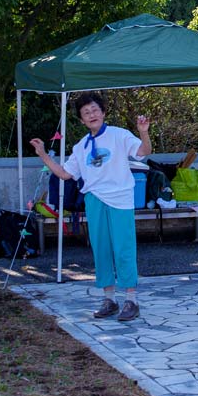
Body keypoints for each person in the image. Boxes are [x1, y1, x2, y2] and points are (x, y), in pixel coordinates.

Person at [27, 93, 153, 322]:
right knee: (101, 249)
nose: (91, 115)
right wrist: (43, 155)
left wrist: (143, 132)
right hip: (94, 200)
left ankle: (131, 300)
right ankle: (109, 299)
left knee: (123, 248)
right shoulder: (80, 146)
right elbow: (65, 174)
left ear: (103, 112)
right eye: (86, 113)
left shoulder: (119, 135)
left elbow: (144, 152)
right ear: (82, 120)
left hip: (120, 199)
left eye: (95, 110)